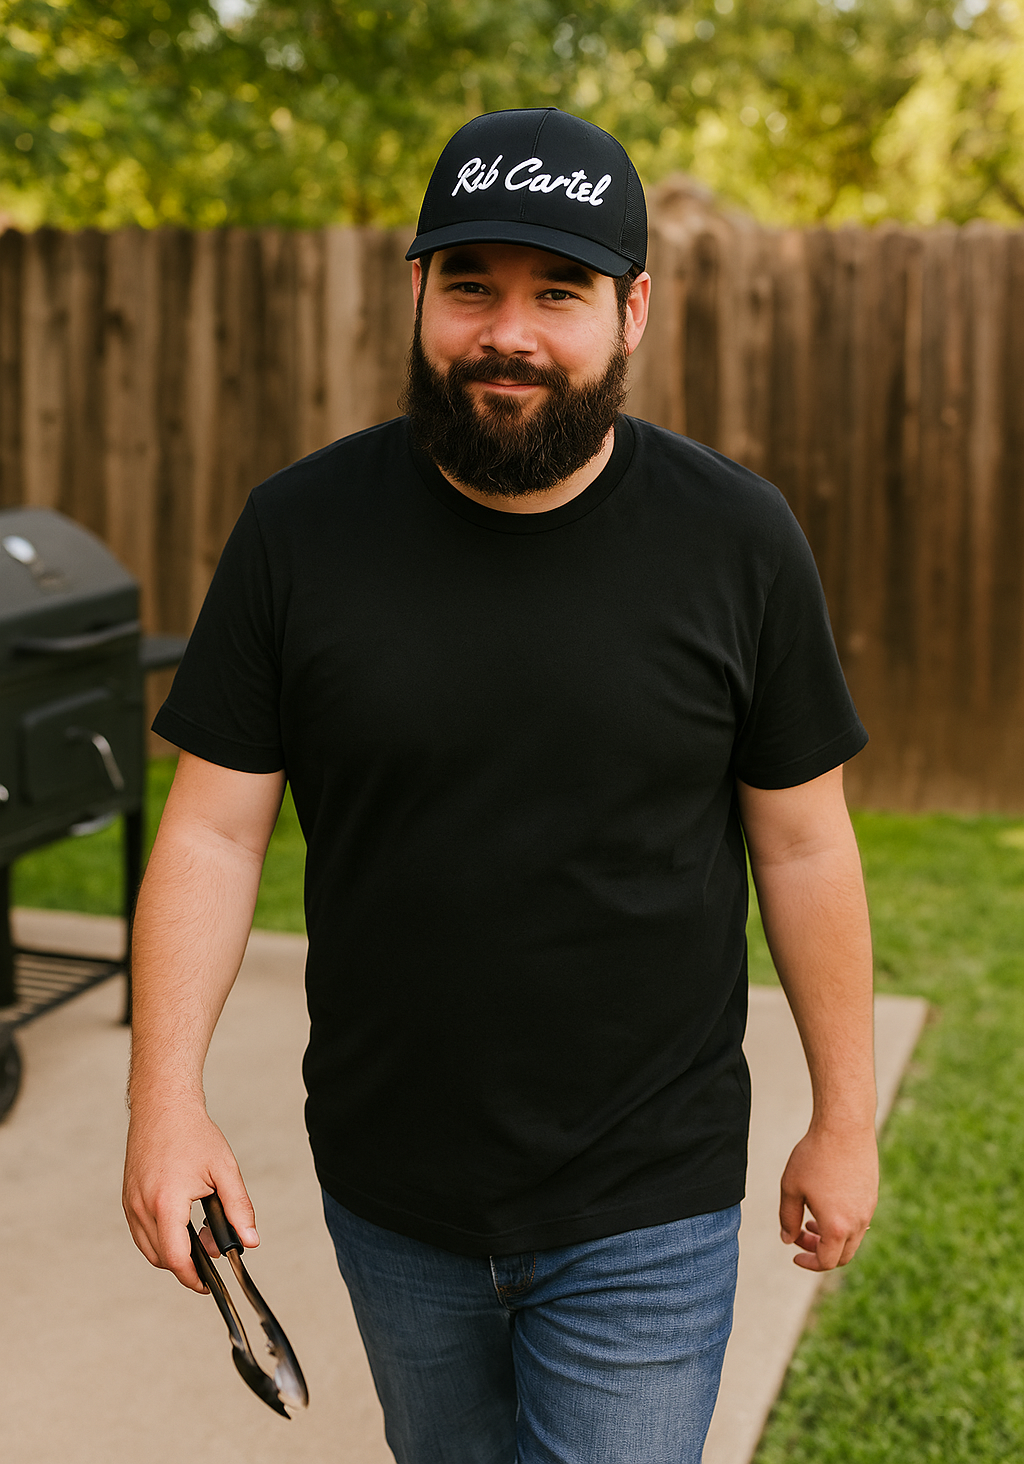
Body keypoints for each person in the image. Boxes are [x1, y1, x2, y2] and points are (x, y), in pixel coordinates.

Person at [123, 108, 877, 1464]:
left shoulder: (739, 541)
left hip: (651, 1195)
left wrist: (843, 1117)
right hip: (392, 1188)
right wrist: (164, 1100)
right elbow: (215, 831)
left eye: (559, 292)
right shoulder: (297, 532)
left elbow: (807, 847)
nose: (507, 332)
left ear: (632, 310)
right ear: (417, 292)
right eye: (471, 285)